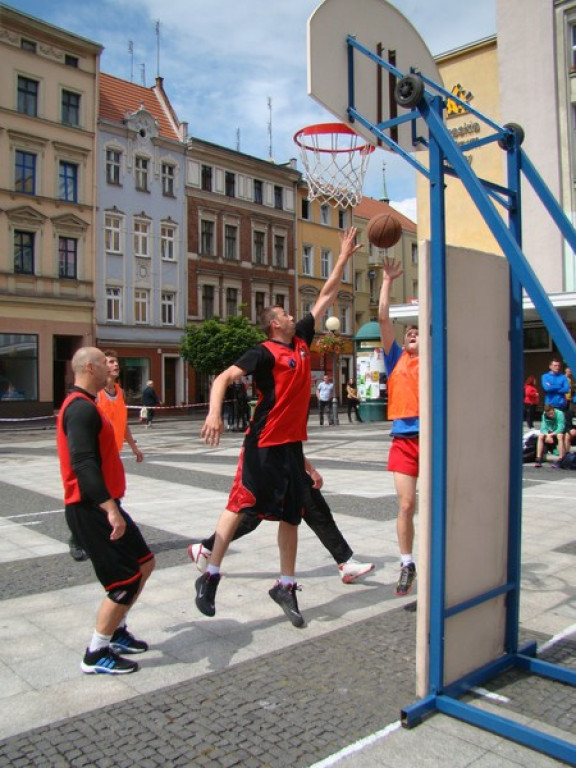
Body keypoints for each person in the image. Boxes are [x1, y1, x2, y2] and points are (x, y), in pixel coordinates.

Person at [195, 227, 361, 627]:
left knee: (292, 516)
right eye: (285, 314)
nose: (292, 315)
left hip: (289, 445)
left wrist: (341, 256)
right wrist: (214, 413)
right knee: (240, 505)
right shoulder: (262, 352)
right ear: (274, 325)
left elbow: (326, 294)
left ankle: (285, 585)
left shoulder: (302, 339)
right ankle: (211, 574)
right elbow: (221, 378)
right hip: (264, 441)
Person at [56, 347, 155, 674]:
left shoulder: (89, 404)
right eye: (103, 363)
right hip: (90, 508)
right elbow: (83, 464)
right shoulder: (80, 409)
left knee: (144, 563)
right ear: (88, 367)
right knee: (123, 582)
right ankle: (96, 652)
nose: (109, 368)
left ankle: (117, 630)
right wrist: (109, 509)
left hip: (104, 503)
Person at [188, 457, 374, 584]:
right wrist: (310, 469)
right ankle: (206, 547)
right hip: (269, 465)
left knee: (314, 509)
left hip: (284, 465)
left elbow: (291, 438)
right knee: (252, 517)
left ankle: (344, 561)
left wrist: (310, 469)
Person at [68, 349, 144, 563]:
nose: (114, 365)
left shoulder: (119, 391)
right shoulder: (93, 396)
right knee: (93, 496)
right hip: (95, 453)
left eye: (115, 362)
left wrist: (134, 447)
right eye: (109, 362)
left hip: (113, 451)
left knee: (109, 494)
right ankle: (77, 538)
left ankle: (106, 532)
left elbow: (123, 423)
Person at [378, 257, 419, 597]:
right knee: (406, 505)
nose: (411, 334)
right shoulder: (396, 359)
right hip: (404, 440)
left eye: (417, 331)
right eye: (408, 331)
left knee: (437, 505)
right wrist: (388, 280)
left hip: (433, 440)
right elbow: (382, 318)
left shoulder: (435, 358)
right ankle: (407, 563)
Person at [535, 403, 566, 468]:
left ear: (553, 410)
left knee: (559, 436)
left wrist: (551, 435)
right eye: (549, 414)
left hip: (558, 432)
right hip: (549, 432)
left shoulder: (560, 413)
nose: (551, 415)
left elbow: (561, 427)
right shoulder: (544, 415)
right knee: (541, 436)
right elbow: (543, 427)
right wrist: (547, 435)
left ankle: (560, 458)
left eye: (552, 413)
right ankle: (538, 458)